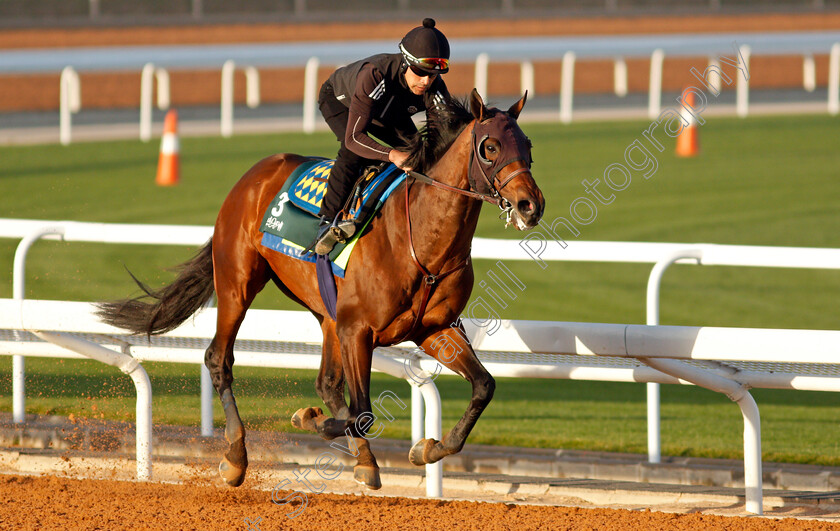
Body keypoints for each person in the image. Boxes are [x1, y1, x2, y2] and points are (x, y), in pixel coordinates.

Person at [312, 18, 452, 255]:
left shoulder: (434, 86)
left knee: (420, 153)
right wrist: (393, 155)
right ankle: (326, 223)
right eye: (420, 72)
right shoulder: (375, 75)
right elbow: (354, 137)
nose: (426, 81)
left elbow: (443, 137)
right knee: (354, 153)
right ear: (406, 63)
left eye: (433, 75)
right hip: (341, 102)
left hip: (388, 110)